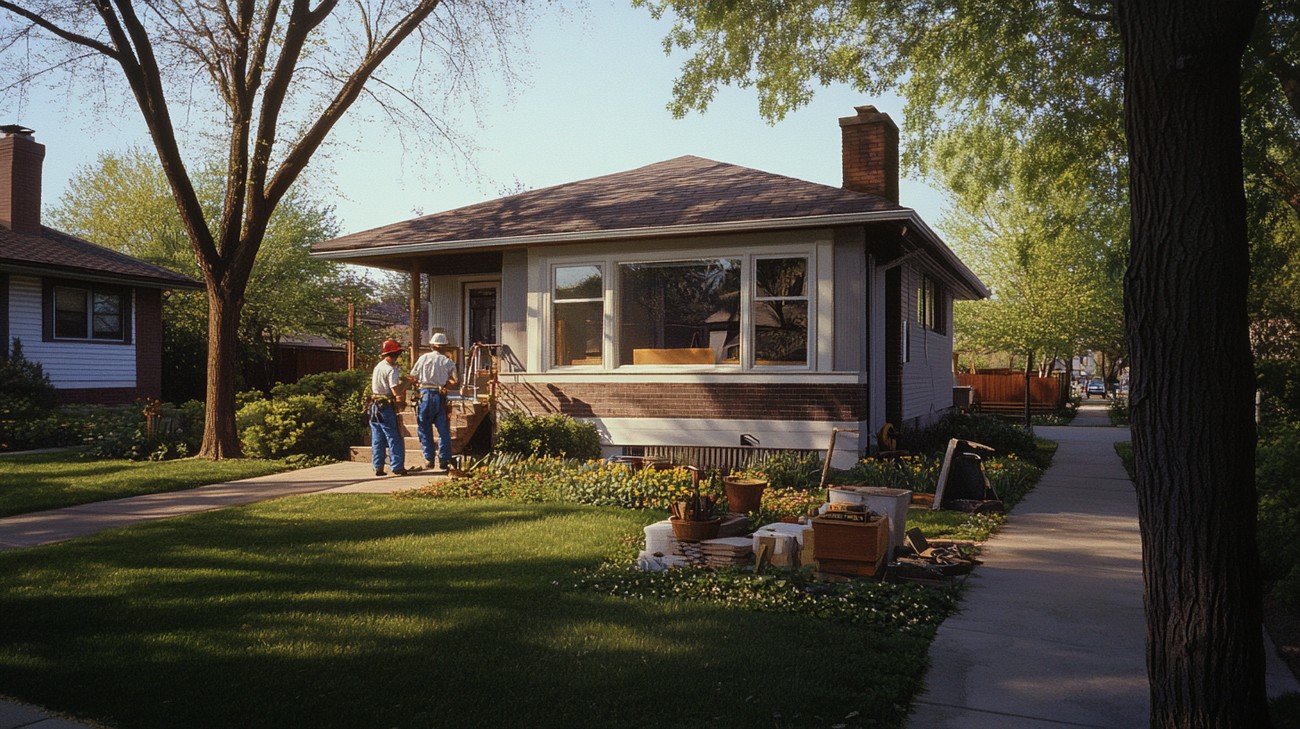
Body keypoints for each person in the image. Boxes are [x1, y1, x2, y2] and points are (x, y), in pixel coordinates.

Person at [409, 332, 460, 472]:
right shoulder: (447, 361)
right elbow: (455, 381)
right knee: (443, 430)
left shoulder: (423, 358)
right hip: (439, 396)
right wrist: (445, 385)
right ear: (444, 347)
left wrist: (418, 385)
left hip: (424, 395)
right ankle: (444, 459)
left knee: (424, 428)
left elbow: (412, 376)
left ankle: (429, 459)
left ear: (431, 346)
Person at [368, 339, 409, 477]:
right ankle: (397, 466)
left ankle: (378, 466)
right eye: (397, 354)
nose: (397, 357)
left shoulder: (379, 366)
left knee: (378, 437)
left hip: (374, 405)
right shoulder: (391, 370)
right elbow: (395, 391)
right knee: (394, 436)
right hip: (385, 406)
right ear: (393, 354)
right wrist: (407, 383)